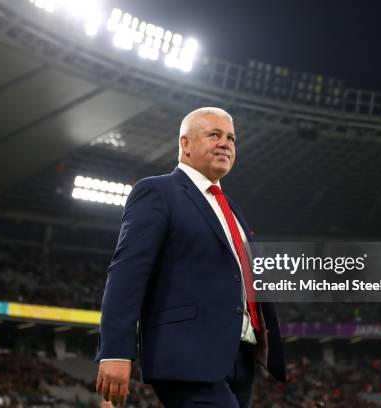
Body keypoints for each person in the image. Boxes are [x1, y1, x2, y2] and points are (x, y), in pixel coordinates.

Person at [95, 107, 286, 407]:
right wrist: (116, 351)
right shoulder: (158, 192)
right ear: (185, 144)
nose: (226, 143)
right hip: (187, 355)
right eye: (214, 135)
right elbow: (126, 273)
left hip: (240, 358)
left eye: (231, 138)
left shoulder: (233, 209)